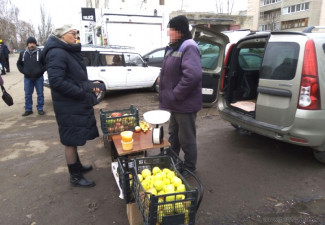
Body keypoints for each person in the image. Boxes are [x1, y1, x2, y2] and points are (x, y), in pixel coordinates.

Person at [42, 24, 101, 188]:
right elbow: (57, 82)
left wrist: (89, 85)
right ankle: (75, 177)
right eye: (72, 33)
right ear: (62, 36)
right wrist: (82, 91)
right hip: (67, 104)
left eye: (76, 33)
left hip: (72, 102)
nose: (75, 36)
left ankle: (78, 167)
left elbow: (75, 78)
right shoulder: (56, 52)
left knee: (74, 137)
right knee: (70, 140)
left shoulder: (65, 50)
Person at [159, 15, 202, 177]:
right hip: (175, 104)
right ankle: (171, 157)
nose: (168, 32)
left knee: (187, 137)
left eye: (171, 28)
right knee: (173, 134)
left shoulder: (188, 46)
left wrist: (175, 93)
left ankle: (190, 165)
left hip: (185, 103)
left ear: (179, 30)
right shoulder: (175, 46)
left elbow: (192, 76)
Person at [17, 37, 46, 116]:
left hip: (39, 78)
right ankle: (28, 109)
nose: (32, 45)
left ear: (35, 44)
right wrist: (23, 71)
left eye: (33, 43)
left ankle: (40, 109)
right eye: (30, 43)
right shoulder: (23, 53)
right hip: (27, 78)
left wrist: (40, 71)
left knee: (40, 94)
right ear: (27, 44)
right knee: (28, 94)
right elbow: (19, 64)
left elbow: (46, 64)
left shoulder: (41, 53)